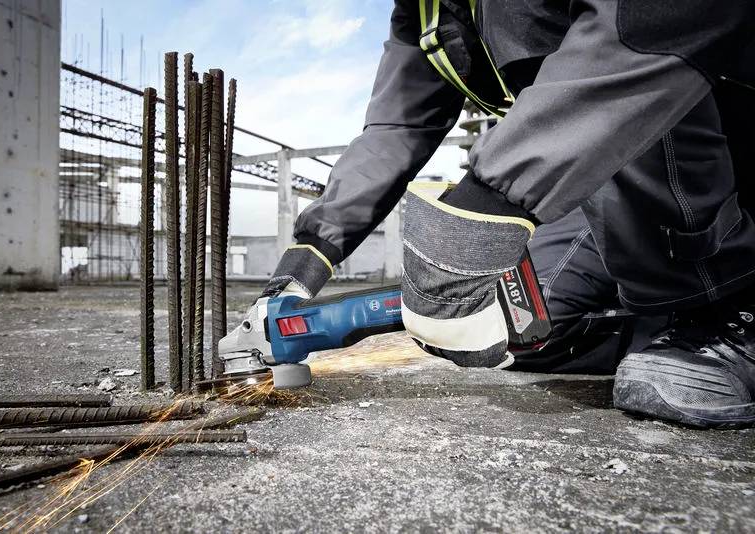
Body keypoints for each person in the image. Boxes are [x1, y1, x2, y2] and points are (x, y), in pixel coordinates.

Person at [257, 0, 755, 427]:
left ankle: (725, 314)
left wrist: (486, 207)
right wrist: (306, 258)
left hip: (712, 143)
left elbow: (645, 33)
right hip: (607, 184)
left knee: (648, 90)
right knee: (524, 327)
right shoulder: (426, 10)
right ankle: (665, 325)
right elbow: (394, 126)